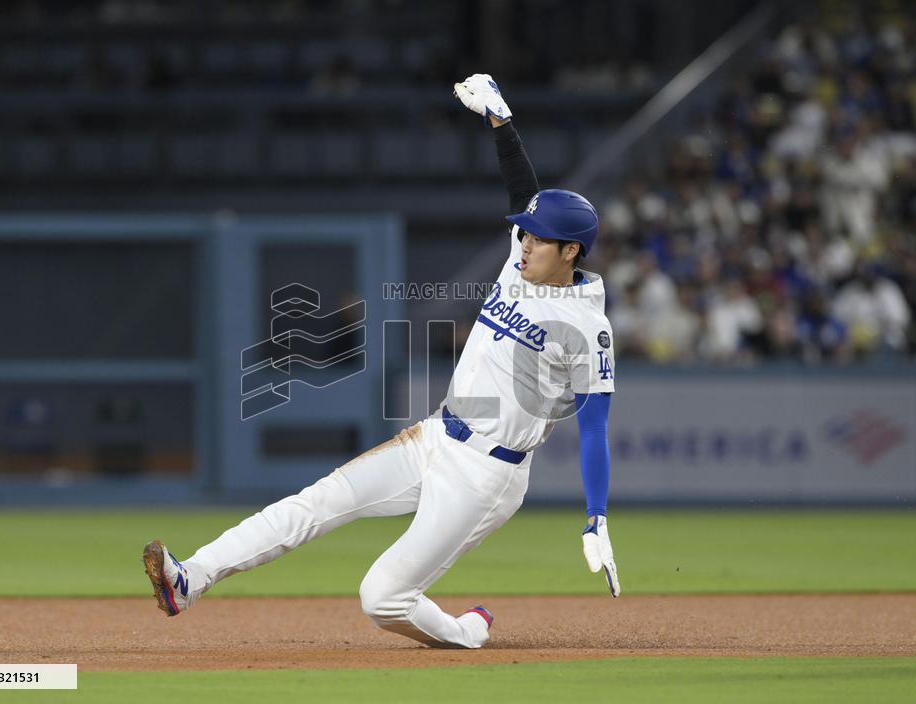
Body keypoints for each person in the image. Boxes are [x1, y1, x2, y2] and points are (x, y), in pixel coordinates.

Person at [143, 74, 619, 649]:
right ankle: (188, 579)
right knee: (313, 503)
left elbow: (594, 425)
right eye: (524, 235)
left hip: (488, 474)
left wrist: (596, 514)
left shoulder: (588, 327)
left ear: (571, 251)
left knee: (382, 598)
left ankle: (469, 631)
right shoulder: (520, 268)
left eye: (538, 240)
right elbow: (523, 194)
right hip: (436, 436)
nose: (523, 243)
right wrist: (501, 121)